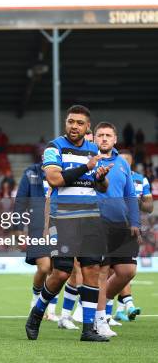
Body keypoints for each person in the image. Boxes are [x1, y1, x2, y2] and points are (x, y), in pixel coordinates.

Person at [25, 105, 111, 342]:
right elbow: (54, 179)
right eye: (71, 121)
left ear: (87, 127)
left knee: (91, 270)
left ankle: (88, 330)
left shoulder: (93, 149)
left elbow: (101, 186)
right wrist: (87, 167)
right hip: (63, 219)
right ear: (66, 123)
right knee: (61, 272)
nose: (74, 126)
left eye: (80, 123)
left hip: (91, 219)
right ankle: (36, 313)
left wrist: (100, 177)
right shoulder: (54, 147)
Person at [91, 122, 140, 338]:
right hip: (97, 223)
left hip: (121, 224)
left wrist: (135, 222)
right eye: (100, 135)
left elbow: (130, 195)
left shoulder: (122, 164)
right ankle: (99, 319)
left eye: (107, 135)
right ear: (94, 139)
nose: (103, 138)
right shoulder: (89, 162)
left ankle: (100, 306)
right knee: (102, 272)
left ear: (115, 139)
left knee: (127, 271)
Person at [13, 160, 63, 326]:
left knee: (57, 269)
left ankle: (50, 310)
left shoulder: (63, 170)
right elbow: (20, 201)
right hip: (38, 225)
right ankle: (35, 301)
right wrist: (18, 229)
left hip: (60, 223)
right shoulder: (30, 173)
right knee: (44, 267)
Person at [112, 149, 152, 322]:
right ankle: (125, 305)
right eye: (122, 160)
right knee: (112, 270)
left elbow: (149, 207)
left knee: (125, 270)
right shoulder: (111, 177)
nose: (124, 163)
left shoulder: (140, 179)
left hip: (132, 230)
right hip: (112, 228)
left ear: (132, 162)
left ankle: (121, 308)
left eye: (127, 160)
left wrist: (138, 201)